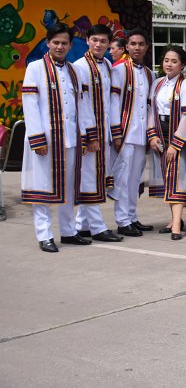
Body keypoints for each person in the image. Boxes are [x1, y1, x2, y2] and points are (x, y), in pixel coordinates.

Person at [21, 24, 88, 252]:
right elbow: (29, 105)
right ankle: (45, 235)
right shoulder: (35, 68)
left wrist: (86, 136)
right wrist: (37, 138)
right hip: (46, 140)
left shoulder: (73, 71)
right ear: (48, 43)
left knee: (68, 188)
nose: (60, 46)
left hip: (70, 138)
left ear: (70, 45)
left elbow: (81, 105)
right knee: (43, 188)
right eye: (55, 42)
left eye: (64, 43)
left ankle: (69, 232)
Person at [73, 25, 123, 242]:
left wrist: (111, 133)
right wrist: (90, 136)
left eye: (103, 41)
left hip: (103, 132)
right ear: (87, 40)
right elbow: (81, 105)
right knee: (90, 179)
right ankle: (97, 227)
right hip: (89, 134)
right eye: (95, 39)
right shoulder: (80, 67)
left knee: (94, 178)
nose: (98, 44)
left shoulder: (107, 65)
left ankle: (81, 225)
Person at [109, 29, 155, 237]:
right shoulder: (118, 70)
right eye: (133, 44)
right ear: (126, 46)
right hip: (126, 133)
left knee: (136, 179)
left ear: (146, 47)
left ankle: (132, 217)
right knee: (123, 178)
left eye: (141, 44)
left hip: (141, 134)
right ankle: (122, 220)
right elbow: (113, 103)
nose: (137, 47)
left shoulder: (149, 73)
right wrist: (116, 133)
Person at [148, 47, 186, 240]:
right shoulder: (158, 83)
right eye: (166, 60)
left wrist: (175, 143)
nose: (169, 64)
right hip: (160, 131)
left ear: (182, 65)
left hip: (177, 133)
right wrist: (152, 135)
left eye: (174, 61)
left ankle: (177, 224)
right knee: (168, 177)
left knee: (177, 177)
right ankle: (174, 219)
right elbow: (150, 110)